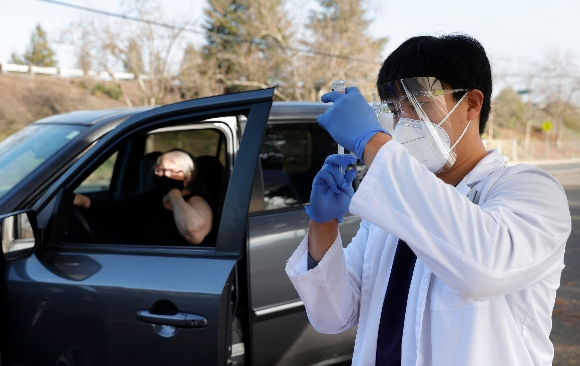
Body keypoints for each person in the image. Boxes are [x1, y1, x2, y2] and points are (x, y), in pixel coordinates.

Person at [285, 34, 571, 365]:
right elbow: (332, 316)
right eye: (395, 109)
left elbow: (482, 269)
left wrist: (371, 142)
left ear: (472, 104)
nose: (405, 120)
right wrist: (323, 225)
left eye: (419, 103)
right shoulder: (390, 210)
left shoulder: (529, 190)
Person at [74, 149, 215, 246]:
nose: (164, 175)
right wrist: (84, 201)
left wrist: (174, 195)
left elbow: (193, 231)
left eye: (171, 171)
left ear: (188, 176)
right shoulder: (152, 197)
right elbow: (117, 214)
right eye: (159, 170)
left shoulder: (197, 201)